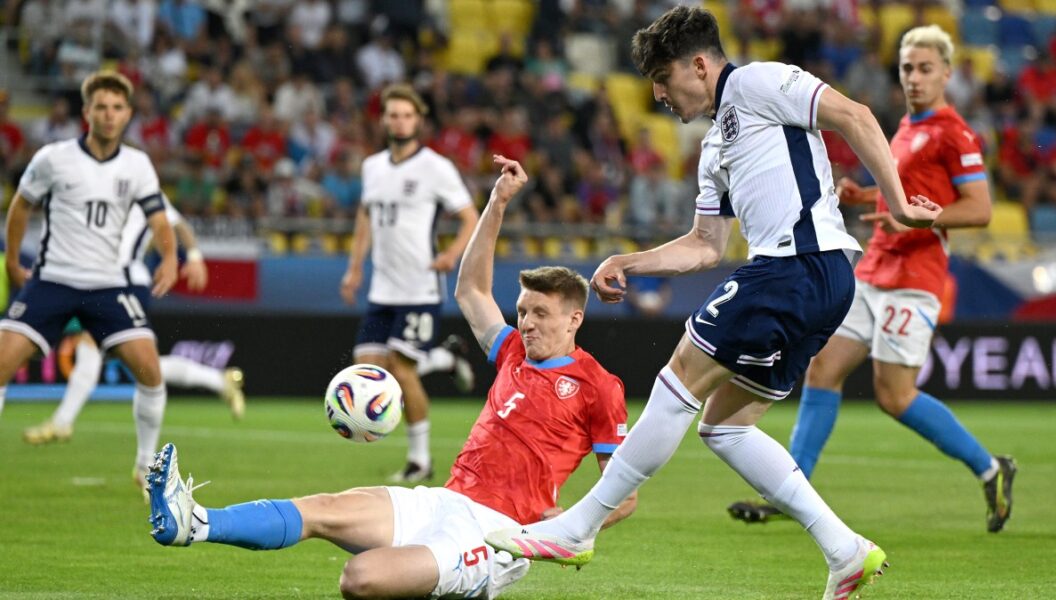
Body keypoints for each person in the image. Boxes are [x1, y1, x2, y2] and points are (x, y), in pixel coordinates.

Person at [486, 7, 942, 599]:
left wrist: (899, 202)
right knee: (724, 426)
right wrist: (629, 261)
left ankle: (578, 527)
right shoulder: (714, 146)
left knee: (678, 379)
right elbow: (705, 246)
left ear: (699, 65)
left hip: (794, 268)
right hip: (818, 283)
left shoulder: (758, 82)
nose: (658, 95)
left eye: (663, 79)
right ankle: (844, 549)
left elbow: (853, 115)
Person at [145, 155, 637, 600]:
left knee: (361, 578)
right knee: (324, 508)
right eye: (523, 310)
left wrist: (571, 524)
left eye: (541, 314)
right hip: (444, 500)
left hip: (496, 532)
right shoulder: (513, 353)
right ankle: (195, 523)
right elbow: (470, 290)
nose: (526, 323)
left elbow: (625, 493)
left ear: (574, 319)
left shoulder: (598, 385)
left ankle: (459, 579)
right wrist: (497, 203)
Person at [727, 25, 1016, 533]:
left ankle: (992, 468)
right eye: (907, 68)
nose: (914, 78)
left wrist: (920, 218)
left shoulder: (954, 132)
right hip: (875, 269)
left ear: (947, 73)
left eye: (926, 68)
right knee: (822, 370)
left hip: (915, 277)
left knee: (894, 395)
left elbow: (981, 208)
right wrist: (867, 197)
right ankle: (792, 490)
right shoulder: (905, 128)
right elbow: (903, 193)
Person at [0, 71, 177, 495]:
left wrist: (170, 256)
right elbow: (21, 208)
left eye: (117, 108)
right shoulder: (53, 158)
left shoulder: (137, 164)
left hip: (107, 285)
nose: (109, 115)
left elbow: (158, 218)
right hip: (53, 280)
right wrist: (11, 261)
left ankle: (143, 466)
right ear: (87, 112)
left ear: (128, 114)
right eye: (101, 106)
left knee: (151, 370)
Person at [22, 195, 247, 445]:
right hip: (106, 282)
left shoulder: (142, 188)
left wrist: (193, 257)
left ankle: (62, 423)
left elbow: (178, 224)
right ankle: (217, 380)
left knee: (99, 348)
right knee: (141, 364)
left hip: (127, 282)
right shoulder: (101, 184)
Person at [339, 83, 479, 483]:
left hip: (419, 287)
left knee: (401, 368)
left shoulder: (435, 167)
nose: (399, 121)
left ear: (418, 120)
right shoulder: (372, 167)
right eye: (393, 114)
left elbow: (470, 215)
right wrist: (354, 268)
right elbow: (365, 218)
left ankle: (420, 460)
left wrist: (452, 254)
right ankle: (447, 358)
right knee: (366, 368)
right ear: (383, 119)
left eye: (406, 115)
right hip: (382, 288)